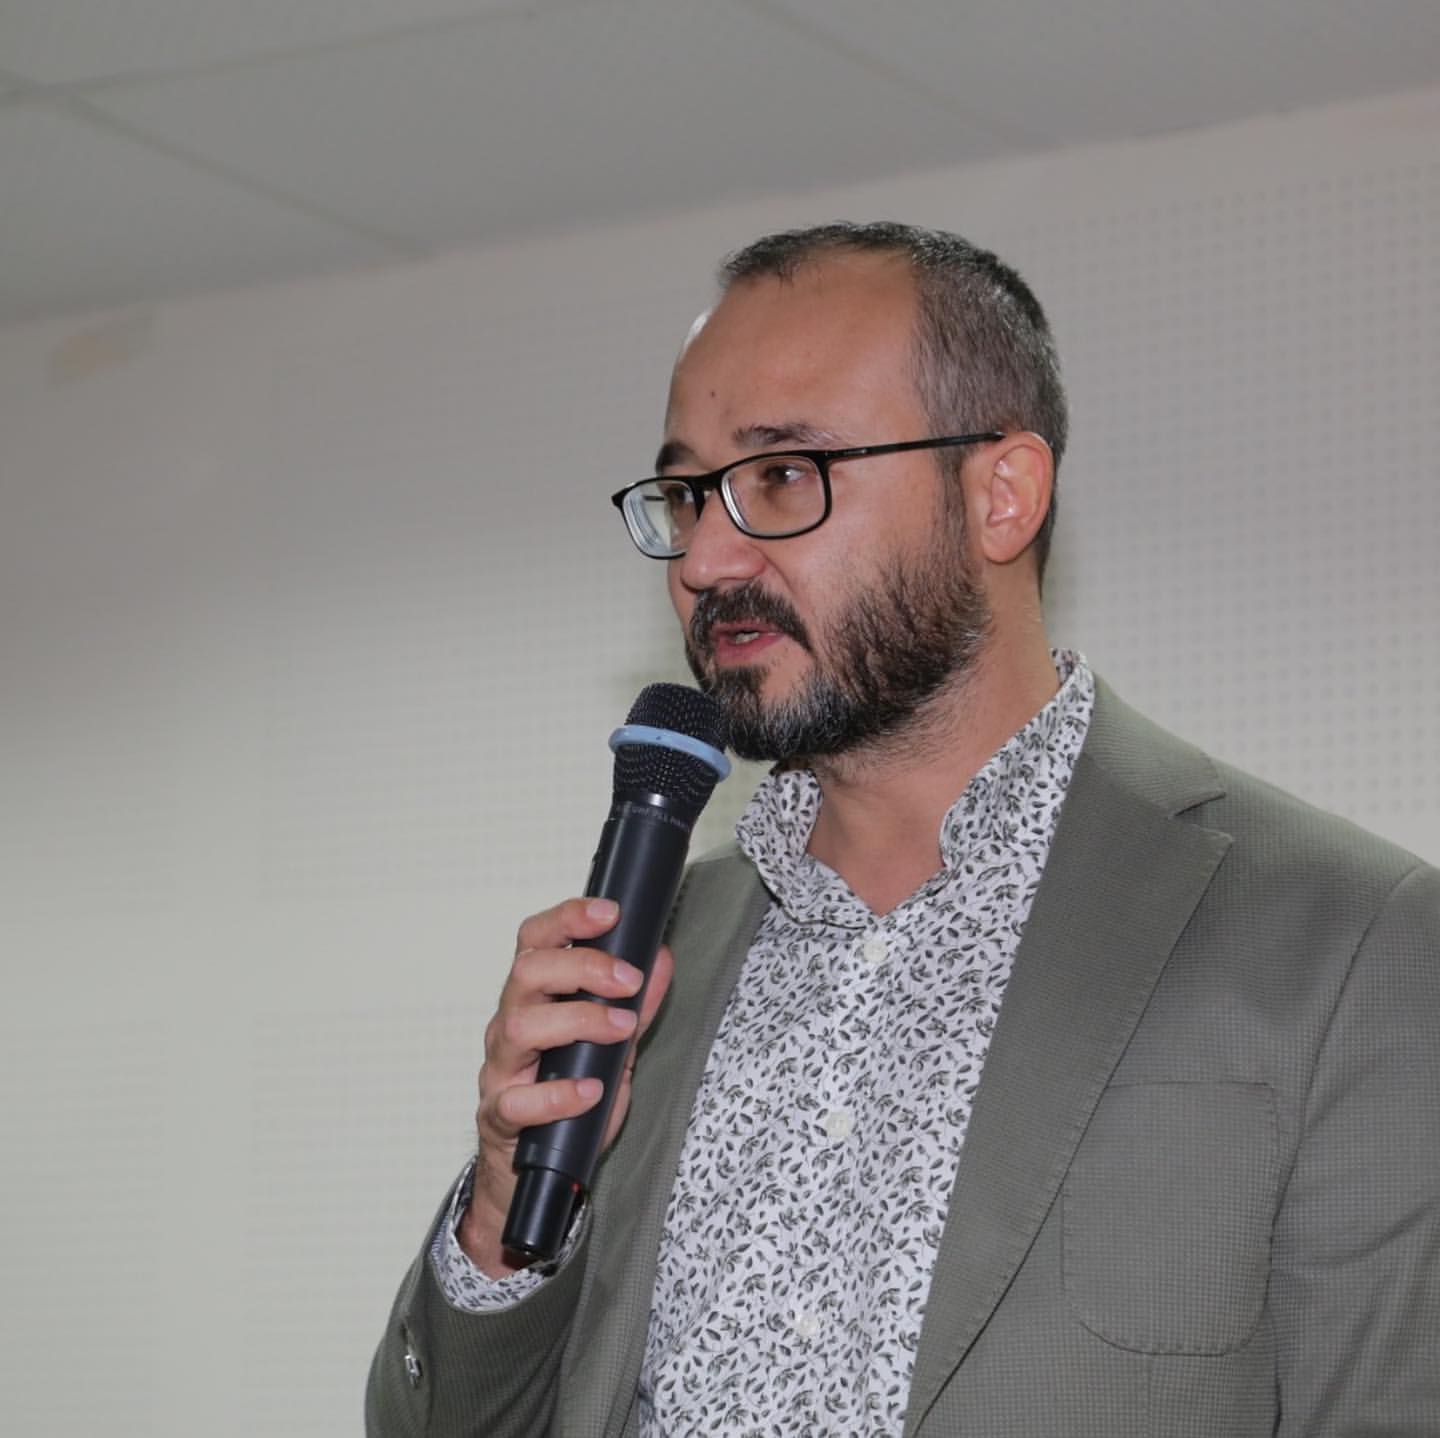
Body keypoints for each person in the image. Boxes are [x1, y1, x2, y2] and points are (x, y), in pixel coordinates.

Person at [367, 223, 1440, 1436]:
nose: (707, 556)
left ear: (1001, 495)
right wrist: (504, 1214)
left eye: (783, 475)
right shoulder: (648, 958)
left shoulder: (1343, 943)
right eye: (687, 492)